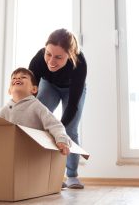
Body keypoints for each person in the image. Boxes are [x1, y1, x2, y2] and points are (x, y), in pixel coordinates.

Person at [29, 28, 87, 189]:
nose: (51, 61)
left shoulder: (79, 63)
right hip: (49, 85)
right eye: (49, 54)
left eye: (58, 57)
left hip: (72, 90)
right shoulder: (39, 59)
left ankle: (72, 176)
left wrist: (59, 131)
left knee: (69, 129)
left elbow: (73, 104)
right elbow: (29, 94)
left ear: (70, 55)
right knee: (39, 123)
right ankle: (45, 174)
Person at [0, 67, 71, 155]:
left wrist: (62, 140)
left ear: (34, 89)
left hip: (33, 152)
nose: (17, 78)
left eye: (23, 77)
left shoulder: (36, 106)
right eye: (14, 78)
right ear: (9, 90)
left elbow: (54, 124)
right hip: (11, 152)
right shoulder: (4, 110)